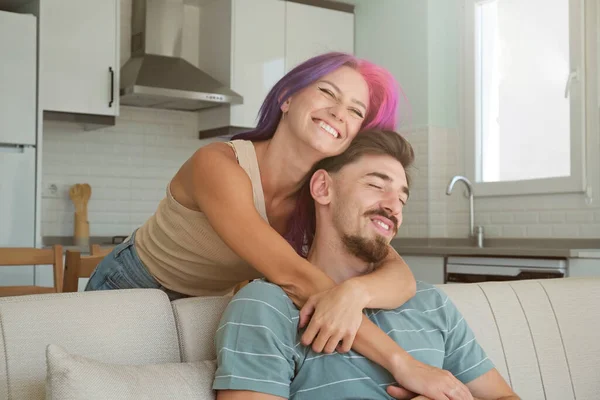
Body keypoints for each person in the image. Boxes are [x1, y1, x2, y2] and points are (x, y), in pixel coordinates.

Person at [86, 51, 442, 387]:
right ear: (286, 98)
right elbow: (293, 277)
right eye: (327, 93)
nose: (338, 113)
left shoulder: (321, 195)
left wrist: (354, 293)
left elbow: (399, 276)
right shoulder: (218, 165)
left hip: (210, 304)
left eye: (355, 111)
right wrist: (403, 364)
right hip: (133, 283)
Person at [213, 130, 520, 400]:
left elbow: (505, 397)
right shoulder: (267, 308)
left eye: (402, 199)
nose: (393, 207)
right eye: (376, 185)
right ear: (322, 188)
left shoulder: (431, 304)